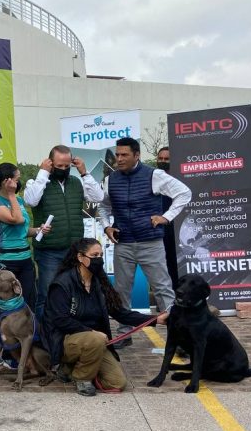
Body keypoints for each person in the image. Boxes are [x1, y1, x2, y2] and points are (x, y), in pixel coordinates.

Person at [97, 137, 191, 348]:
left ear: (136, 155)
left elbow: (184, 193)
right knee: (121, 291)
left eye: (124, 155)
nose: (119, 159)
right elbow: (103, 207)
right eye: (117, 155)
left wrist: (166, 217)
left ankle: (179, 338)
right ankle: (124, 333)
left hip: (151, 243)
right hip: (124, 244)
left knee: (163, 290)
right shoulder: (111, 180)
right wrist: (106, 226)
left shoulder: (154, 175)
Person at [42, 238, 167, 396]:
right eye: (94, 255)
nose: (99, 259)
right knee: (96, 340)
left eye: (101, 255)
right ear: (80, 257)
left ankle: (73, 367)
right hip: (66, 340)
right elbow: (60, 320)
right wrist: (91, 332)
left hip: (95, 342)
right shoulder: (62, 284)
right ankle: (81, 377)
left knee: (117, 383)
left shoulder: (99, 282)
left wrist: (155, 319)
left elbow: (120, 313)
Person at [24, 144, 104, 319]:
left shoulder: (76, 182)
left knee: (75, 292)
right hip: (48, 251)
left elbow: (98, 197)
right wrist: (43, 174)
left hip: (75, 250)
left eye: (67, 166)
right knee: (47, 293)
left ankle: (69, 332)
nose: (63, 169)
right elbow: (31, 200)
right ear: (50, 163)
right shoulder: (36, 182)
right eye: (59, 166)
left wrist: (84, 173)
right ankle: (42, 337)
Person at [0, 163, 39, 367]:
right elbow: (15, 220)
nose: (19, 182)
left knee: (28, 306)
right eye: (16, 179)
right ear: (6, 181)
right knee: (6, 311)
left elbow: (22, 229)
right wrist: (11, 195)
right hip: (4, 264)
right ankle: (9, 355)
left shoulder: (18, 200)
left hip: (24, 259)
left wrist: (37, 230)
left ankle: (30, 352)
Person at [155, 146, 179, 289]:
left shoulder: (178, 180)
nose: (163, 161)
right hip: (157, 229)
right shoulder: (151, 177)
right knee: (160, 266)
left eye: (166, 159)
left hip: (175, 229)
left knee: (175, 263)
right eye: (160, 158)